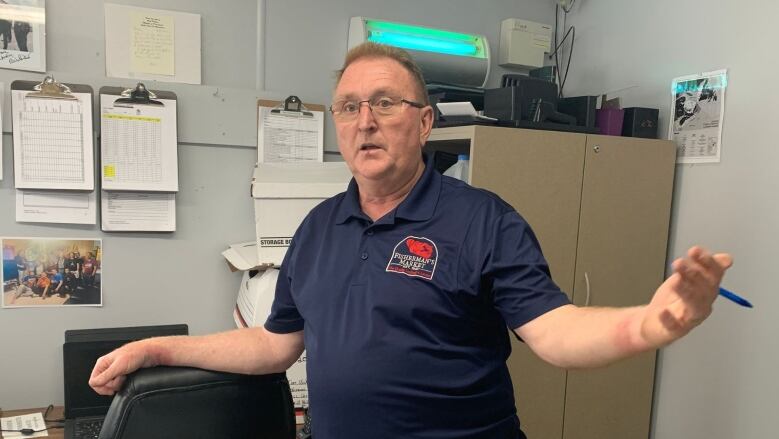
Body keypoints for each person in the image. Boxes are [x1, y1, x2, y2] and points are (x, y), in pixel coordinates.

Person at [90, 43, 732, 438]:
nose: (363, 121)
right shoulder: (317, 229)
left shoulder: (484, 220)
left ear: (424, 123)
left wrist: (650, 325)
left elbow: (556, 332)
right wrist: (156, 349)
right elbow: (271, 344)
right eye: (347, 106)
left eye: (385, 103)